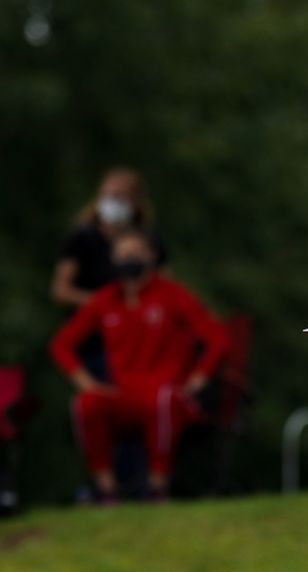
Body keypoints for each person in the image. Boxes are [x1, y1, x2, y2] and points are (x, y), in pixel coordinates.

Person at [49, 230, 228, 501]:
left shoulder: (172, 296)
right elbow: (61, 345)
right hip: (125, 396)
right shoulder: (105, 301)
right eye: (122, 254)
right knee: (86, 403)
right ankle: (106, 491)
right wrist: (87, 383)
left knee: (164, 400)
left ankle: (157, 489)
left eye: (135, 253)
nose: (128, 260)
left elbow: (218, 339)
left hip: (168, 396)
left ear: (151, 256)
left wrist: (198, 379)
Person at [51, 168, 170, 312]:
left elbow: (166, 288)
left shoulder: (150, 238)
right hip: (92, 324)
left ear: (135, 200)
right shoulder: (82, 238)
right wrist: (108, 305)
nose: (113, 202)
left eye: (119, 196)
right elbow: (61, 291)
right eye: (108, 196)